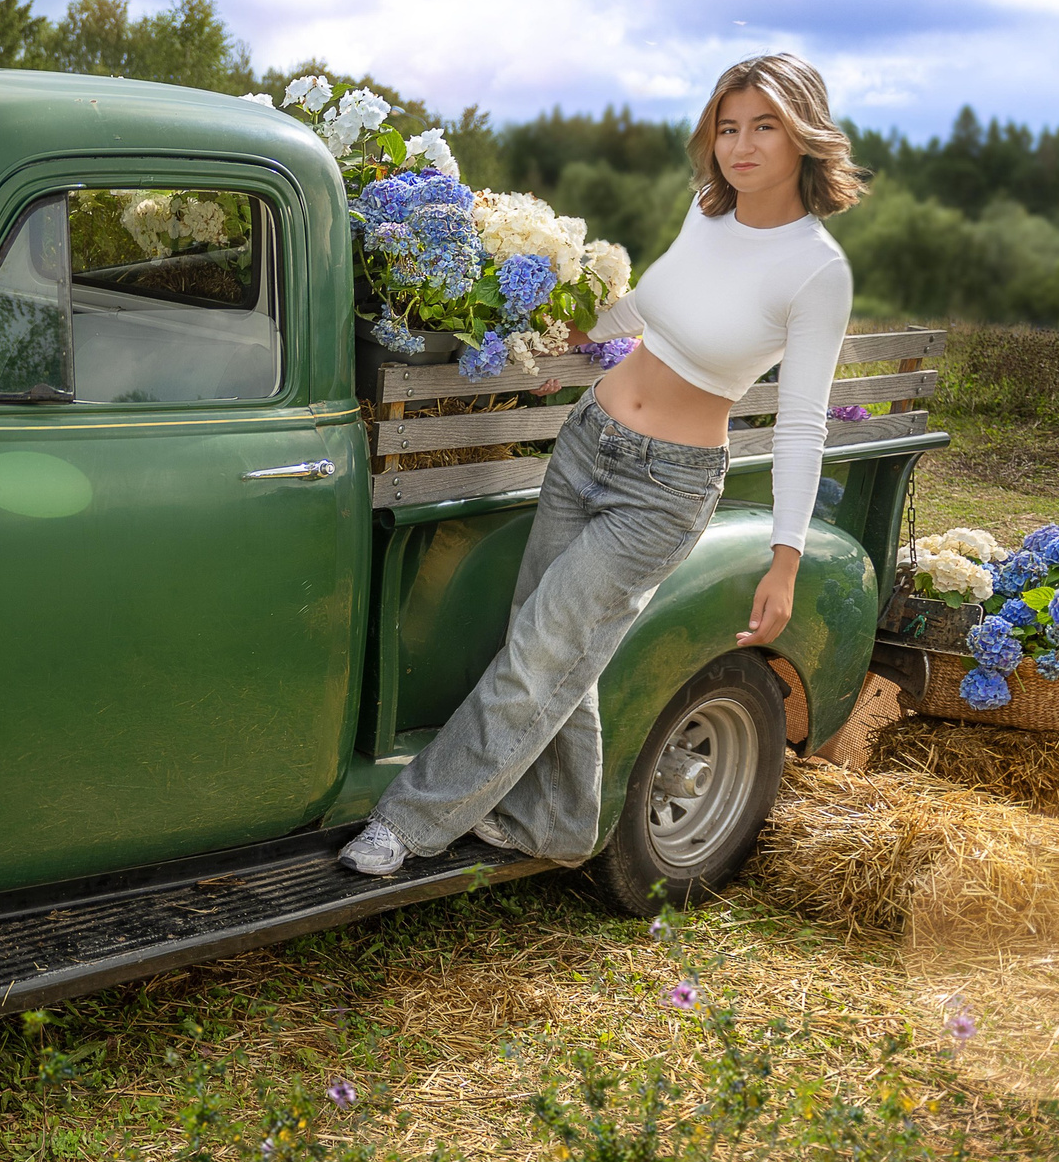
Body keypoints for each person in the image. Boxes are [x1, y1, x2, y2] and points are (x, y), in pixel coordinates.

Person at [340, 53, 866, 877]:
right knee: (554, 647)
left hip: (665, 490)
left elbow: (802, 423)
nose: (741, 146)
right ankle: (557, 822)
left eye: (764, 125)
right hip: (590, 438)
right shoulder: (706, 212)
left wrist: (786, 558)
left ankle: (410, 822)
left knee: (541, 653)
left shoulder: (817, 271)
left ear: (805, 133)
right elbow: (650, 307)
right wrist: (573, 331)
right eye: (728, 127)